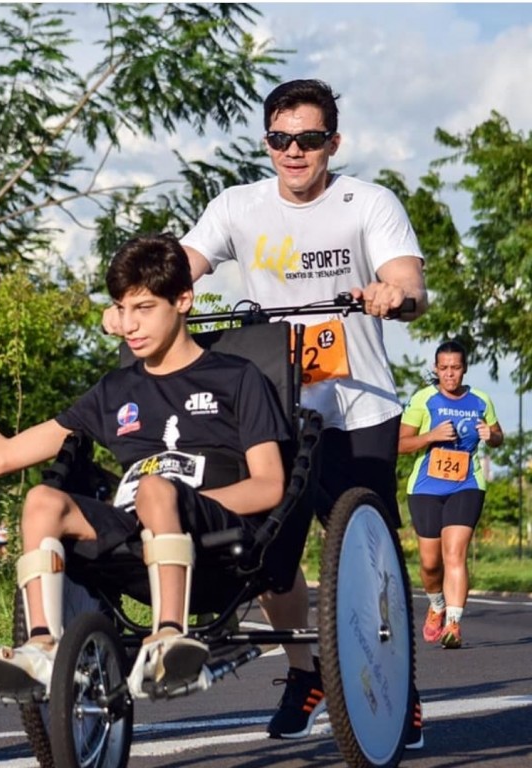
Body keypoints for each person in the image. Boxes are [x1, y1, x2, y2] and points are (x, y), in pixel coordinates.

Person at [103, 78, 428, 747]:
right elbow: (177, 272)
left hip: (356, 402)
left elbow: (411, 282)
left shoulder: (369, 202)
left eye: (309, 140)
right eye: (281, 139)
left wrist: (392, 294)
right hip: (271, 403)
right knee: (271, 554)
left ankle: (398, 684)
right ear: (267, 142)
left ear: (333, 143)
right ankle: (307, 673)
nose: (294, 151)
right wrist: (135, 301)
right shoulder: (237, 206)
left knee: (366, 550)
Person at [0, 232, 291, 696]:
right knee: (41, 500)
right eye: (121, 308)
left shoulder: (237, 377)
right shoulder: (114, 391)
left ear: (183, 300)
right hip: (131, 541)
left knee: (157, 488)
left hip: (217, 544)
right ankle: (42, 647)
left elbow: (271, 485)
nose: (130, 324)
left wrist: (172, 505)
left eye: (144, 308)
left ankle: (169, 639)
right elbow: (1, 457)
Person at [399, 340, 503, 650]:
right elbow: (400, 444)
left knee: (454, 553)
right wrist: (431, 436)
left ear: (464, 368)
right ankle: (436, 603)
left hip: (466, 484)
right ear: (435, 368)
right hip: (426, 487)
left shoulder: (481, 400)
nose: (449, 374)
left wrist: (491, 435)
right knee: (431, 564)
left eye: (455, 368)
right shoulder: (423, 399)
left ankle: (454, 624)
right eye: (443, 368)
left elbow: (498, 436)